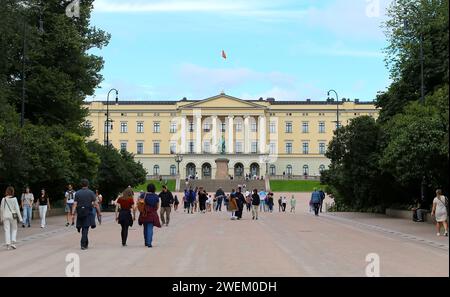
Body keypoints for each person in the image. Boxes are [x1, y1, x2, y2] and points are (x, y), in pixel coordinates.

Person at [72, 179, 101, 250]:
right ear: (87, 184)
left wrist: (72, 213)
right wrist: (99, 213)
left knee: (83, 228)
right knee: (85, 229)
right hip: (88, 213)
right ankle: (83, 244)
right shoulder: (91, 193)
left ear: (81, 184)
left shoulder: (77, 193)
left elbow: (75, 204)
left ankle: (85, 242)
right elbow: (96, 204)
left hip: (80, 213)